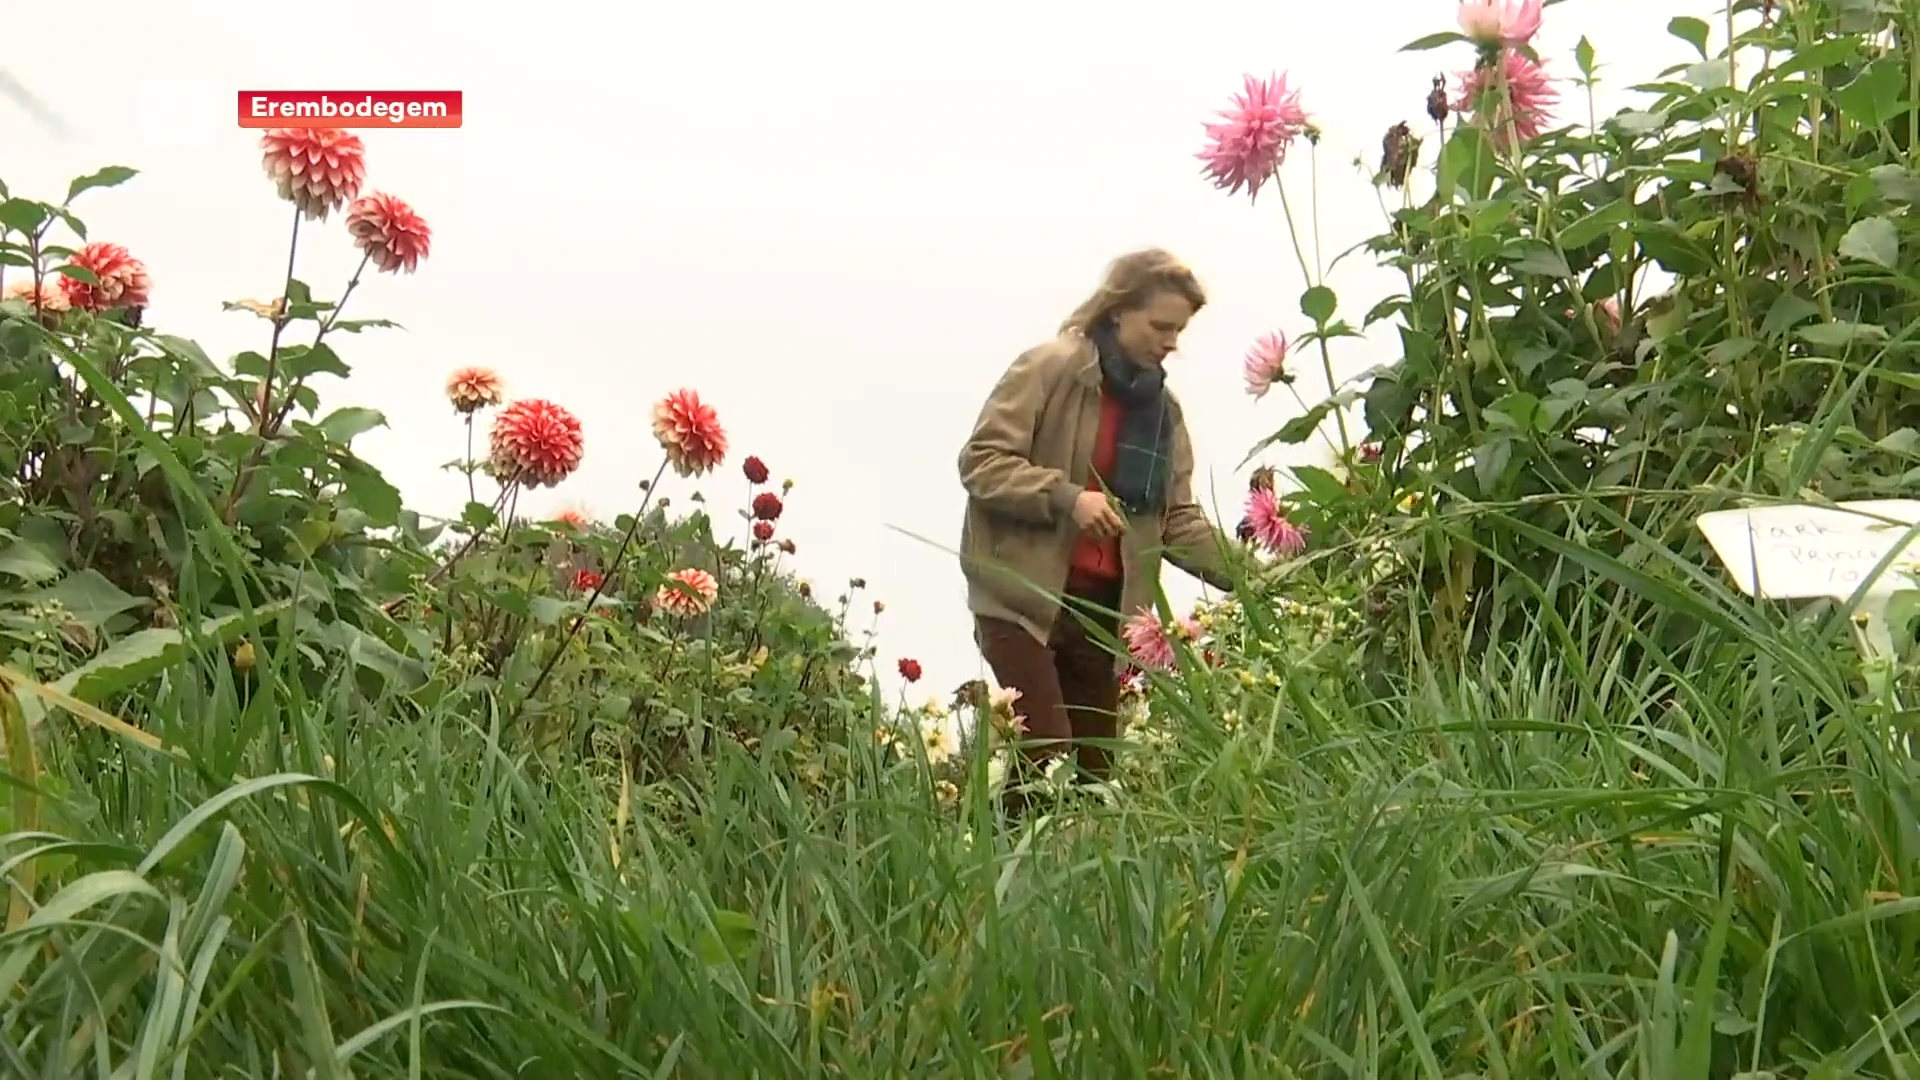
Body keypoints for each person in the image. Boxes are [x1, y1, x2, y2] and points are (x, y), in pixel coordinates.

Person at [958, 248, 1234, 807]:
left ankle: (1034, 873)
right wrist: (1066, 499)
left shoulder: (1163, 413)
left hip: (1104, 608)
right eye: (1160, 326)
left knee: (1094, 776)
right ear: (1116, 312)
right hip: (1020, 596)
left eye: (1178, 330)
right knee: (1048, 751)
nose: (1171, 341)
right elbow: (981, 462)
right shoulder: (1050, 368)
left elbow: (1176, 522)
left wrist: (1255, 578)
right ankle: (988, 868)